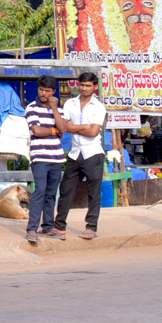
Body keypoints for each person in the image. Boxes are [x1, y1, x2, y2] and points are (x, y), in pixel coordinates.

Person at [54, 70, 108, 239]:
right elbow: (64, 127)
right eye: (82, 85)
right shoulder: (70, 103)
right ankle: (59, 225)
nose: (84, 89)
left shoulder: (98, 107)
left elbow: (93, 132)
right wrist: (84, 126)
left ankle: (91, 226)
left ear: (95, 87)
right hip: (75, 153)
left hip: (93, 153)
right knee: (66, 190)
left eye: (88, 86)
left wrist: (75, 127)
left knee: (93, 192)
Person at [23, 77, 67, 244]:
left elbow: (64, 129)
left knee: (51, 193)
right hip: (39, 156)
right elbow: (37, 131)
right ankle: (32, 228)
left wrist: (54, 109)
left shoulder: (59, 110)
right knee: (40, 191)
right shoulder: (31, 108)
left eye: (47, 91)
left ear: (53, 92)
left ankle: (48, 227)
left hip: (56, 157)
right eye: (41, 90)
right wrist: (55, 130)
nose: (44, 93)